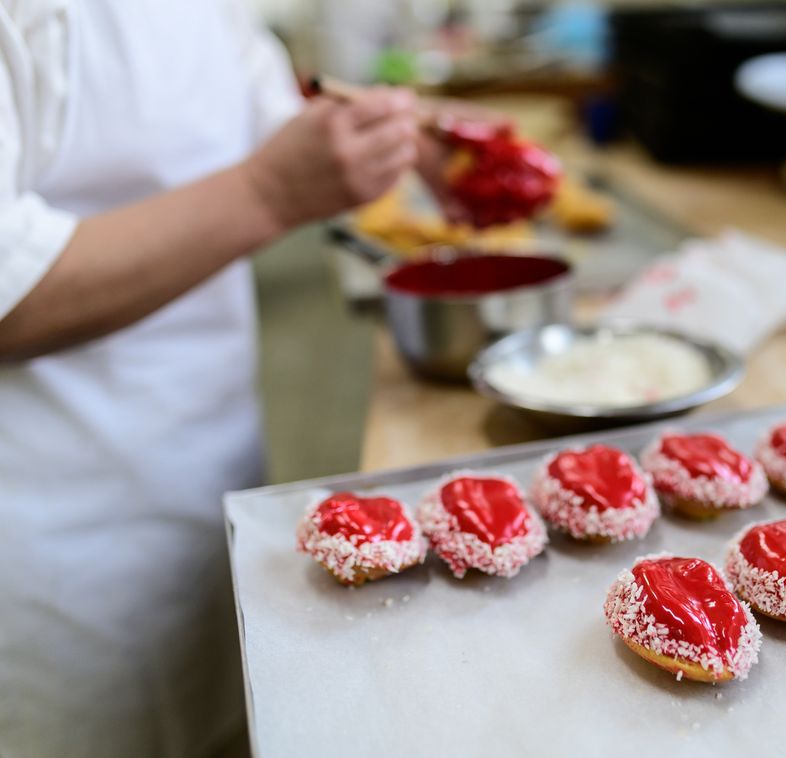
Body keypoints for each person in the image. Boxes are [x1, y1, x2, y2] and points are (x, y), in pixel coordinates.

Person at [0, 1, 459, 755]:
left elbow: (263, 117)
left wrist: (399, 138)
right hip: (57, 544)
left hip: (207, 476)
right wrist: (268, 194)